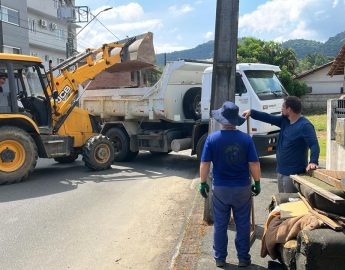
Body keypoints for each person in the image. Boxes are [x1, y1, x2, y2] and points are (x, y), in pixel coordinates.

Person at [199, 101, 261, 268]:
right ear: (235, 121)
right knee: (242, 224)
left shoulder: (212, 139)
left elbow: (204, 164)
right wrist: (257, 182)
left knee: (220, 224)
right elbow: (254, 164)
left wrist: (202, 183)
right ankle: (243, 258)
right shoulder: (246, 139)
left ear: (222, 120)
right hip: (242, 188)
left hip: (220, 189)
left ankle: (220, 257)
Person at [242, 96, 320, 193]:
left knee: (290, 204)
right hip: (280, 172)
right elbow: (268, 118)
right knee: (282, 202)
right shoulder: (284, 121)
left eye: (283, 107)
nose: (281, 109)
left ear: (289, 109)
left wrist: (313, 161)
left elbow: (314, 144)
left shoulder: (305, 126)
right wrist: (252, 112)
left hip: (293, 175)